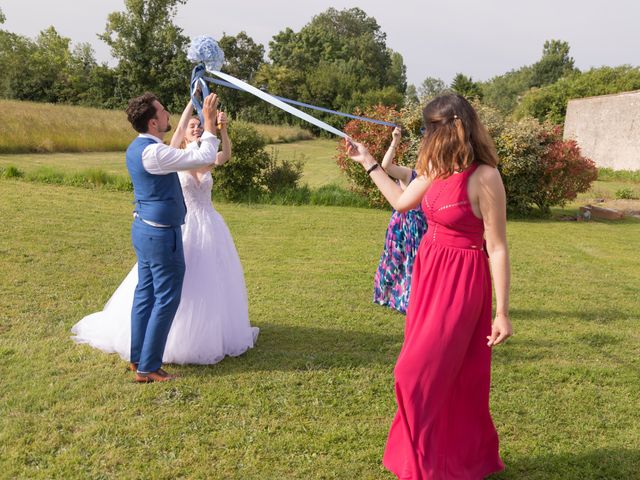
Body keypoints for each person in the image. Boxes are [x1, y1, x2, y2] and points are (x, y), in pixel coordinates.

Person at [347, 94, 512, 479]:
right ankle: (436, 459)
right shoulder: (436, 169)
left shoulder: (485, 177)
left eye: (430, 128)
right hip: (429, 275)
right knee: (439, 376)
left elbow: (498, 246)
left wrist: (501, 312)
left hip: (461, 281)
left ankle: (430, 462)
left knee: (414, 373)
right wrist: (368, 162)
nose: (425, 137)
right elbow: (401, 202)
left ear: (452, 127)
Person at [72, 97, 258, 374]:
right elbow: (205, 155)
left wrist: (192, 100)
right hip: (161, 235)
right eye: (162, 111)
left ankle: (138, 356)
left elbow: (191, 142)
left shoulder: (142, 147)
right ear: (153, 122)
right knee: (167, 298)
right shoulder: (156, 154)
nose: (167, 114)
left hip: (145, 230)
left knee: (145, 295)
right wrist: (208, 121)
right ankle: (148, 367)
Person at [373, 126, 428, 314]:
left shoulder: (433, 179)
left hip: (421, 229)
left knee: (416, 264)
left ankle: (414, 299)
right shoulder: (408, 174)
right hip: (402, 226)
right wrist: (395, 142)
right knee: (396, 260)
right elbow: (386, 166)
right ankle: (392, 296)